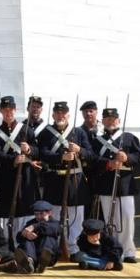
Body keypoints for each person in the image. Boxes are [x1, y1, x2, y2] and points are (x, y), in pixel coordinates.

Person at [37, 101, 93, 258]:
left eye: (63, 113)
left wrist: (79, 150)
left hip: (75, 178)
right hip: (55, 179)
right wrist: (61, 156)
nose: (60, 115)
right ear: (53, 115)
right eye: (57, 113)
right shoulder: (46, 133)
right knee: (54, 215)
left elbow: (90, 154)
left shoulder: (79, 133)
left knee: (76, 216)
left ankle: (73, 248)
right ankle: (55, 247)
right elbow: (42, 154)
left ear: (68, 115)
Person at [92, 107, 140, 263]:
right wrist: (108, 164)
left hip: (125, 184)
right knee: (110, 220)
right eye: (107, 119)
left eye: (113, 119)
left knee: (127, 218)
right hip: (106, 185)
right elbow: (92, 160)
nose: (110, 121)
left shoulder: (129, 138)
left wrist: (126, 157)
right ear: (103, 121)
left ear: (118, 120)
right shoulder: (97, 140)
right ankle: (114, 250)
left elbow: (138, 157)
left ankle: (128, 251)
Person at [0, 96, 39, 243]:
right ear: (1, 111)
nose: (8, 113)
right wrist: (13, 160)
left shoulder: (26, 130)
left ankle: (21, 245)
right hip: (5, 178)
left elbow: (37, 151)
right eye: (5, 110)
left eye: (10, 109)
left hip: (25, 178)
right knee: (5, 214)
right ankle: (5, 245)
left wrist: (29, 149)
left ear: (15, 110)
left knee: (23, 212)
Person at [14, 200, 61, 274]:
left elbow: (52, 229)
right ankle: (29, 263)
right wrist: (24, 234)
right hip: (34, 254)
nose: (38, 217)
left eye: (42, 214)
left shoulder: (55, 223)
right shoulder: (30, 222)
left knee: (49, 237)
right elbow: (18, 238)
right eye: (36, 214)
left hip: (49, 256)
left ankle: (43, 260)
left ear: (49, 213)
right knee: (27, 240)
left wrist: (35, 226)